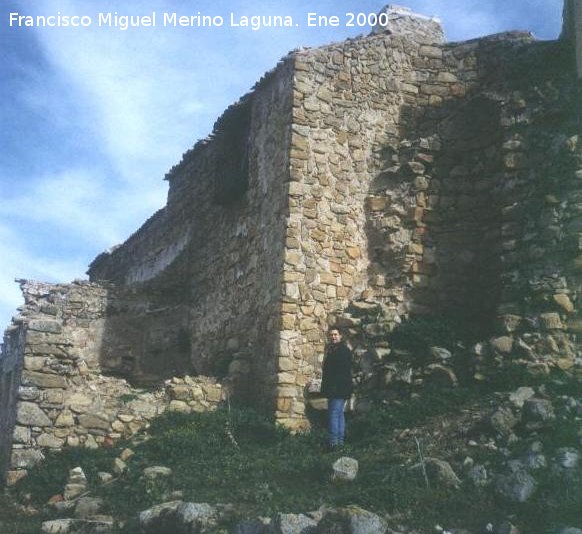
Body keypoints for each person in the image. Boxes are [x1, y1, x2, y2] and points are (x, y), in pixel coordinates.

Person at [320, 327, 353, 449]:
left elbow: (342, 372)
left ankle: (334, 442)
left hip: (338, 388)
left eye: (335, 334)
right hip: (337, 388)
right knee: (339, 414)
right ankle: (339, 441)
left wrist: (333, 387)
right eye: (331, 335)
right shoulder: (334, 350)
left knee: (334, 414)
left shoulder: (342, 351)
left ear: (340, 336)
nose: (333, 337)